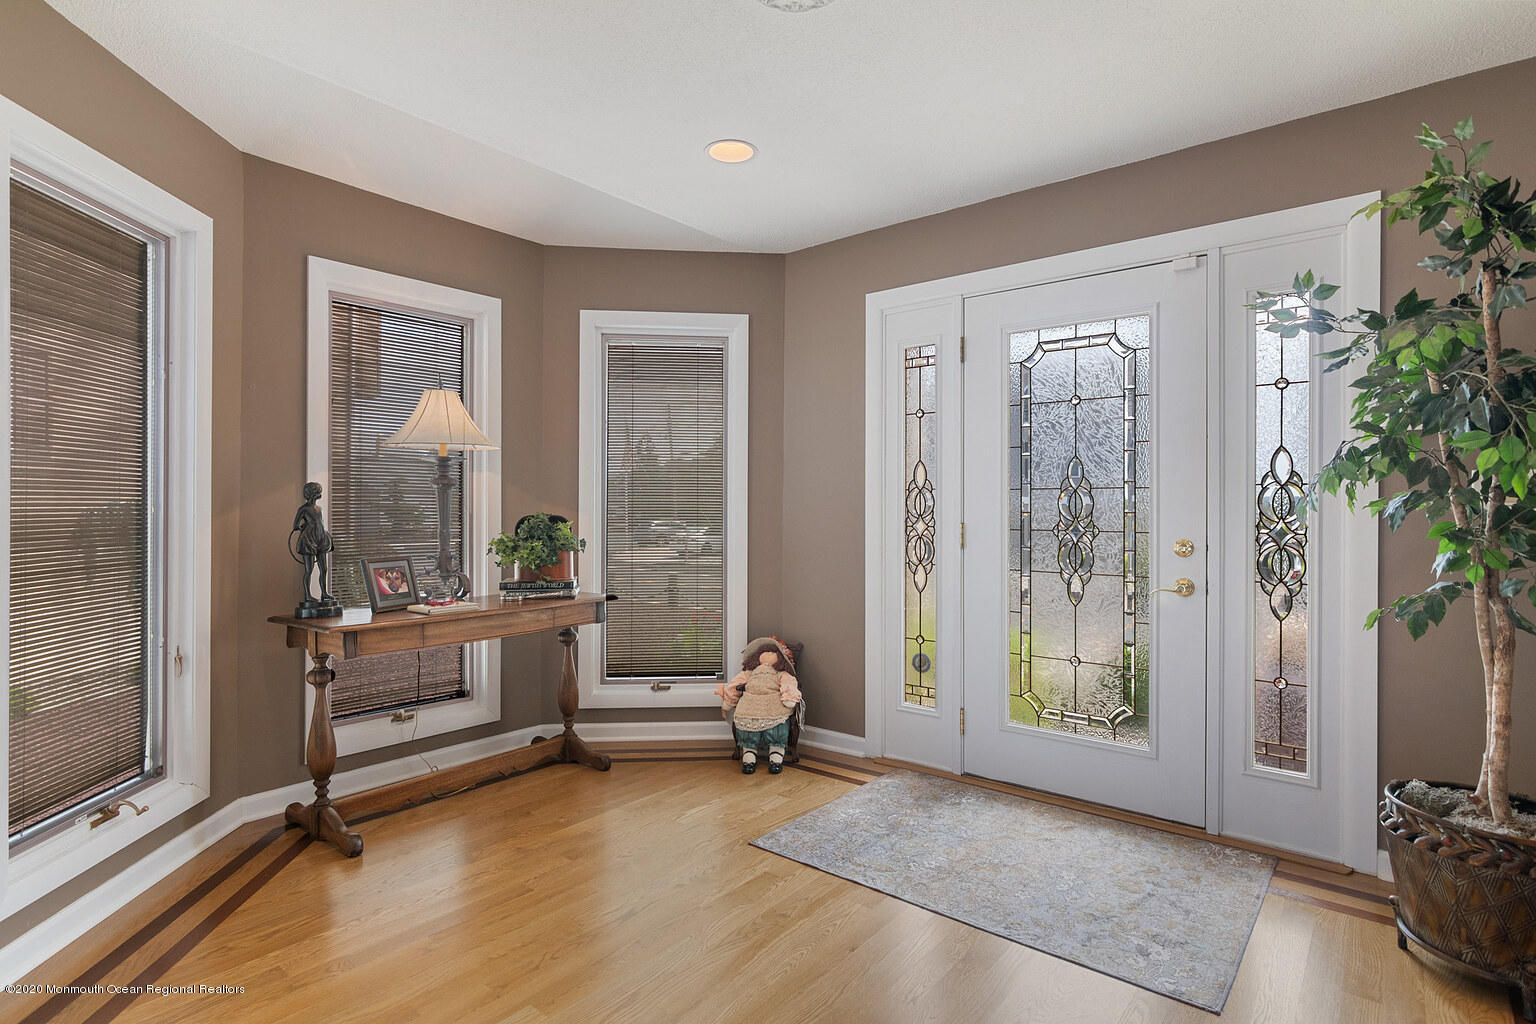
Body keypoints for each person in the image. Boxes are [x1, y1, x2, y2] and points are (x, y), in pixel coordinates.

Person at [716, 638, 802, 774]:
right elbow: (734, 685)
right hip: (751, 703)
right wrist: (729, 700)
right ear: (757, 657)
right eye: (765, 652)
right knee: (747, 730)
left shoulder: (781, 674)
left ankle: (776, 757)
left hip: (773, 702)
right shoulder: (749, 673)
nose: (768, 655)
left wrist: (789, 697)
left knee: (777, 730)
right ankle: (749, 756)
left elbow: (789, 685)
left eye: (772, 652)